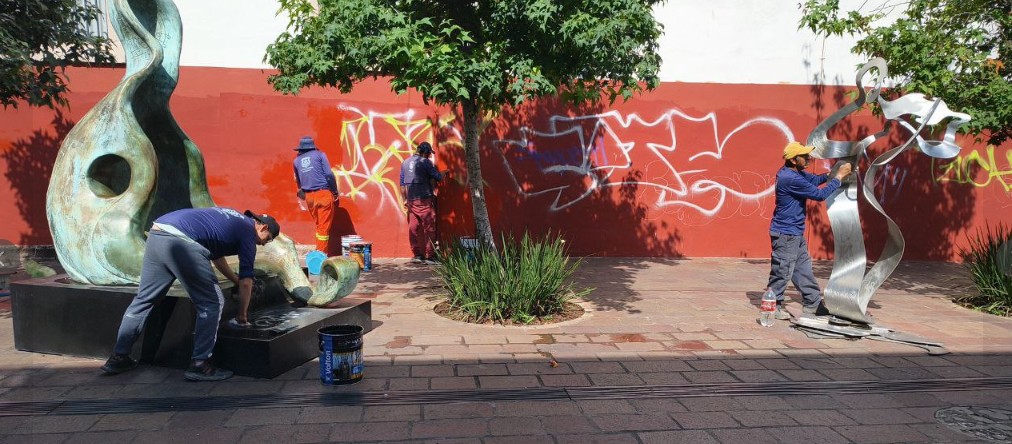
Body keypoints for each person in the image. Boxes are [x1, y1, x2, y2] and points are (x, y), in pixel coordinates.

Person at [101, 207, 280, 381]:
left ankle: (119, 357)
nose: (264, 243)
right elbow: (247, 282)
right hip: (181, 240)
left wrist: (235, 280)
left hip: (158, 233)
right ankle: (200, 364)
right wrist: (242, 316)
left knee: (144, 299)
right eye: (268, 239)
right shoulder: (248, 234)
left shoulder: (233, 220)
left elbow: (217, 258)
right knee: (212, 302)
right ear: (262, 227)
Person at [767, 141, 852, 319]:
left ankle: (813, 304)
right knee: (782, 271)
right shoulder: (790, 178)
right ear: (793, 159)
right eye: (804, 156)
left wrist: (831, 173)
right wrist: (838, 178)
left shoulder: (793, 172)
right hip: (786, 233)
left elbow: (814, 180)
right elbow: (819, 194)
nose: (808, 159)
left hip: (794, 232)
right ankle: (772, 307)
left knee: (803, 269)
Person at [293, 136, 340, 255]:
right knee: (323, 229)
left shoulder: (296, 161)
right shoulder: (320, 155)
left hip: (309, 198)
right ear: (312, 146)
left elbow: (298, 182)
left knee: (319, 227)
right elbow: (329, 174)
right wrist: (334, 191)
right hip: (323, 194)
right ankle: (320, 256)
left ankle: (319, 253)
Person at [399, 142, 444, 264]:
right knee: (429, 228)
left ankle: (417, 255)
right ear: (425, 152)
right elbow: (438, 177)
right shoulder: (425, 162)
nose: (429, 156)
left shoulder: (405, 163)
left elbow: (402, 185)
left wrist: (404, 199)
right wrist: (444, 174)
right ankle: (430, 256)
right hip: (425, 200)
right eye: (429, 153)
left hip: (411, 201)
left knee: (413, 228)